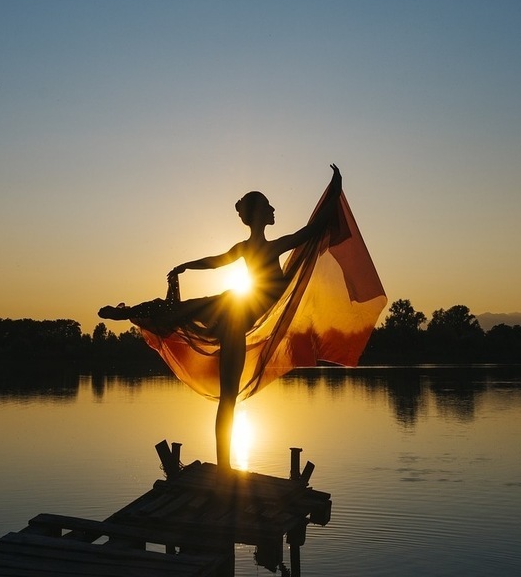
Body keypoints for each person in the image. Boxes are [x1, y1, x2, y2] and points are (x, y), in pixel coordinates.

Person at [104, 165, 342, 469]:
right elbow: (310, 232)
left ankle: (127, 312)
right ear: (258, 216)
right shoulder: (270, 247)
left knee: (189, 316)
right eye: (268, 206)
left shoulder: (248, 248)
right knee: (224, 389)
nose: (273, 210)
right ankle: (225, 467)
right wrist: (335, 191)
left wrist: (187, 265)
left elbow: (217, 262)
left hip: (235, 315)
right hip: (235, 313)